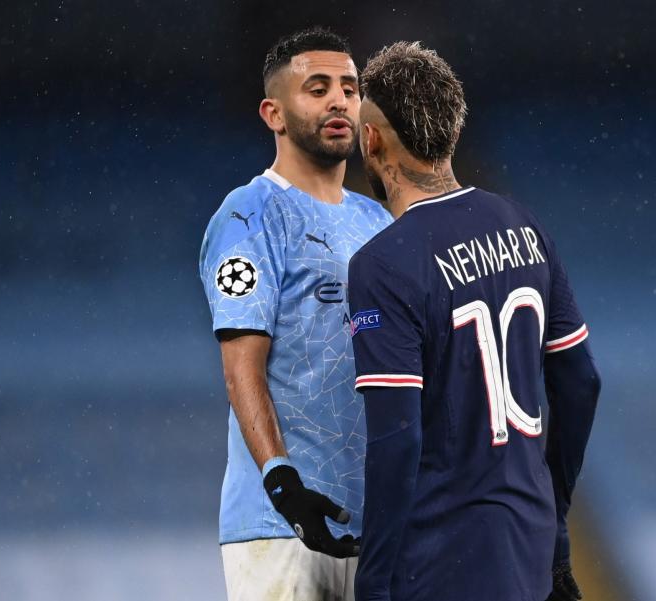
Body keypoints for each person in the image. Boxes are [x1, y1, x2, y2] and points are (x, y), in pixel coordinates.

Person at [347, 41, 601, 601]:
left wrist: (375, 582)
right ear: (452, 132)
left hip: (442, 559)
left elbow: (397, 438)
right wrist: (553, 520)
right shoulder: (523, 226)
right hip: (527, 546)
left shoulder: (383, 264)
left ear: (372, 138)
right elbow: (581, 383)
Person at [198, 27, 393, 601]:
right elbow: (242, 367)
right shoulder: (249, 215)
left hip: (375, 526)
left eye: (351, 89)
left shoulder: (378, 223)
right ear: (274, 113)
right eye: (318, 88)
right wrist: (282, 485)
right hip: (279, 525)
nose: (340, 101)